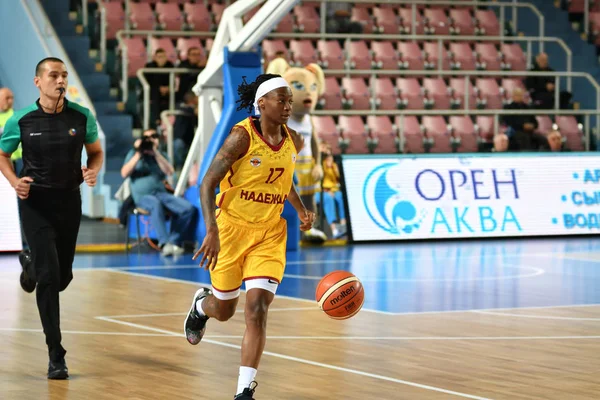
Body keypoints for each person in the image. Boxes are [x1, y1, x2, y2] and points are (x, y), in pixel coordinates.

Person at [183, 74, 315, 400]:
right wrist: (211, 230)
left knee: (257, 309)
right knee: (224, 309)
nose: (287, 106)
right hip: (230, 229)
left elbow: (283, 180)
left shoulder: (294, 139)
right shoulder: (240, 138)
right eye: (281, 100)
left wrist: (298, 209)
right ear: (262, 104)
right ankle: (202, 306)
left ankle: (244, 391)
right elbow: (206, 183)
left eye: (289, 101)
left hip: (269, 233)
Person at [0, 57, 104, 379]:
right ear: (38, 81)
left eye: (63, 76)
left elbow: (96, 152)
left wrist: (93, 170)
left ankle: (29, 266)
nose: (60, 81)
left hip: (69, 202)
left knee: (62, 279)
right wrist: (14, 181)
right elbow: (2, 155)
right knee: (49, 279)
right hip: (35, 203)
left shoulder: (82, 116)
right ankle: (55, 354)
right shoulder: (20, 120)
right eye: (53, 75)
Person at [121, 128, 197, 256]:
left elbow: (169, 171)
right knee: (155, 203)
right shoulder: (133, 154)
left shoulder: (160, 155)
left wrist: (155, 153)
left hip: (161, 194)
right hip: (143, 198)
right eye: (147, 138)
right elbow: (124, 173)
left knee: (188, 209)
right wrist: (139, 153)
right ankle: (164, 242)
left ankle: (173, 242)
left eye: (153, 136)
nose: (150, 140)